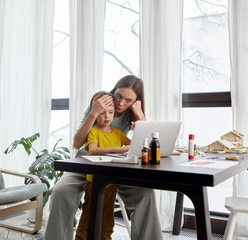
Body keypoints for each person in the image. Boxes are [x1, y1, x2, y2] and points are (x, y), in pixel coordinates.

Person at [44, 75, 163, 240]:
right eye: (119, 96)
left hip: (116, 165)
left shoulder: (132, 113)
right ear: (114, 90)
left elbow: (145, 145)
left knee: (145, 194)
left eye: (128, 100)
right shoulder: (100, 102)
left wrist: (141, 117)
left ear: (136, 101)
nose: (121, 103)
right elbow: (77, 143)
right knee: (61, 191)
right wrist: (93, 113)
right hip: (86, 163)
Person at [75, 91, 131, 240]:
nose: (107, 117)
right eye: (102, 113)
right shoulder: (93, 132)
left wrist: (138, 125)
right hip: (94, 180)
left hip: (111, 180)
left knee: (107, 217)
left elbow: (134, 145)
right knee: (89, 214)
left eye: (111, 112)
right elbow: (93, 150)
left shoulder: (118, 133)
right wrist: (120, 149)